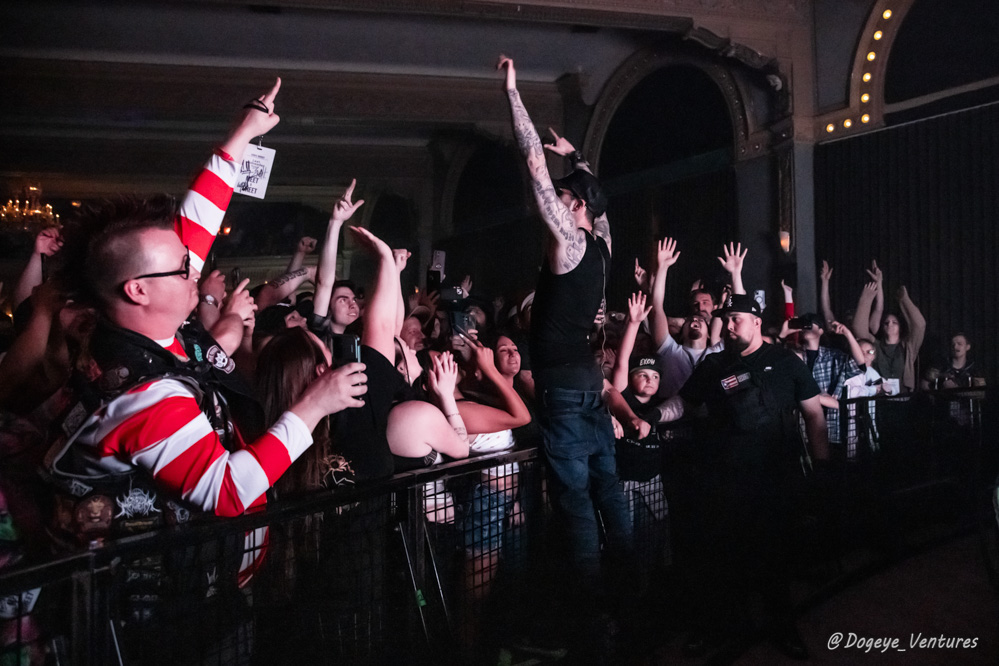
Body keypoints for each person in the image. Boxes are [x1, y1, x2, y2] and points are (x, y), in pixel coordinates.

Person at [498, 55, 632, 657]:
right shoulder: (603, 243)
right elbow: (593, 196)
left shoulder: (573, 242)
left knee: (575, 500)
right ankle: (632, 598)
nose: (552, 198)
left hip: (561, 384)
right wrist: (576, 157)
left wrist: (512, 93)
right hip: (589, 384)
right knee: (608, 488)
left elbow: (531, 165)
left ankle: (590, 615)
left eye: (563, 195)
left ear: (574, 205)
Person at [670, 293, 828, 660]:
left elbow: (814, 415)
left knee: (775, 560)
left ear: (756, 321)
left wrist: (823, 468)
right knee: (721, 558)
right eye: (724, 320)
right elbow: (684, 402)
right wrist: (648, 417)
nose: (727, 326)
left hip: (776, 479)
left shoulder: (785, 362)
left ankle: (782, 627)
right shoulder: (714, 365)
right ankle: (718, 629)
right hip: (725, 480)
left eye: (735, 319)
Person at [648, 237, 725, 397]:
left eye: (700, 321)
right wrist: (662, 267)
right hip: (672, 417)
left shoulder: (718, 351)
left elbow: (743, 317)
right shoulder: (669, 349)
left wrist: (736, 275)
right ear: (681, 332)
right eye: (690, 320)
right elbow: (657, 309)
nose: (695, 320)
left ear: (709, 333)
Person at [851, 267, 925, 392]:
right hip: (879, 399)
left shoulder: (908, 346)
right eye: (886, 322)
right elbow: (858, 328)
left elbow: (920, 325)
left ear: (901, 327)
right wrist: (866, 299)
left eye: (894, 322)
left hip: (903, 400)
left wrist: (905, 300)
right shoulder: (876, 345)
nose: (890, 324)